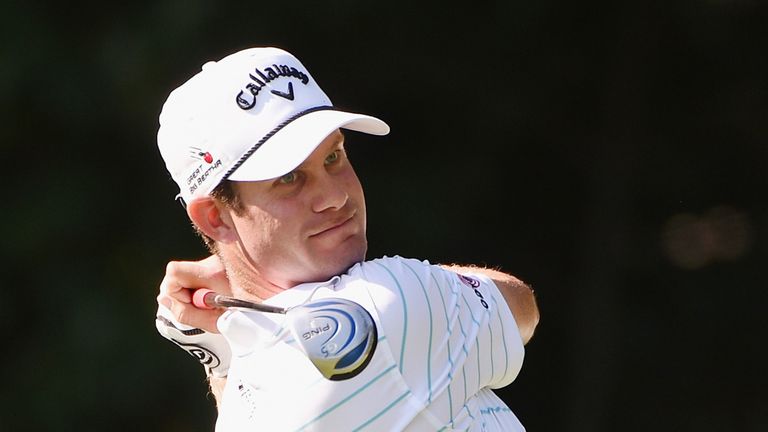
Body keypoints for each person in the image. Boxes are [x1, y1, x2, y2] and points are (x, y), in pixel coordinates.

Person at [154, 46, 540, 431]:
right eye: (289, 178)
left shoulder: (251, 394)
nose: (335, 196)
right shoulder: (392, 299)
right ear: (215, 217)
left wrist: (220, 349)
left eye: (333, 156)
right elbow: (519, 305)